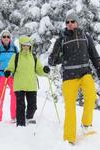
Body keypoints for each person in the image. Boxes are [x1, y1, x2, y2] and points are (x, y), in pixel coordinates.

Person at [48, 12, 100, 144]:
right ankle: (69, 138)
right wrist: (56, 56)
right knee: (70, 107)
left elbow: (94, 56)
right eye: (67, 22)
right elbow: (52, 60)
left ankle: (86, 124)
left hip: (85, 73)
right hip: (69, 77)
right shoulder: (62, 39)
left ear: (77, 22)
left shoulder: (86, 37)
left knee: (91, 96)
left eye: (72, 21)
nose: (70, 24)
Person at [4, 35, 50, 126]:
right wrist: (8, 71)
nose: (26, 47)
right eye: (24, 45)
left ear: (30, 46)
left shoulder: (33, 57)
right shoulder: (16, 56)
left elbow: (39, 70)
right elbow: (10, 67)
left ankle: (29, 118)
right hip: (19, 85)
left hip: (31, 85)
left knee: (33, 106)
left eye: (28, 45)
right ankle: (20, 124)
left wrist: (44, 70)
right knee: (20, 106)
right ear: (21, 45)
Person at [0, 30, 17, 123]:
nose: (6, 38)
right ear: (1, 38)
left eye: (8, 37)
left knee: (15, 95)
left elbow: (17, 60)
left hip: (12, 75)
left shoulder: (15, 48)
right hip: (1, 75)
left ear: (10, 38)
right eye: (4, 36)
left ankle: (14, 116)